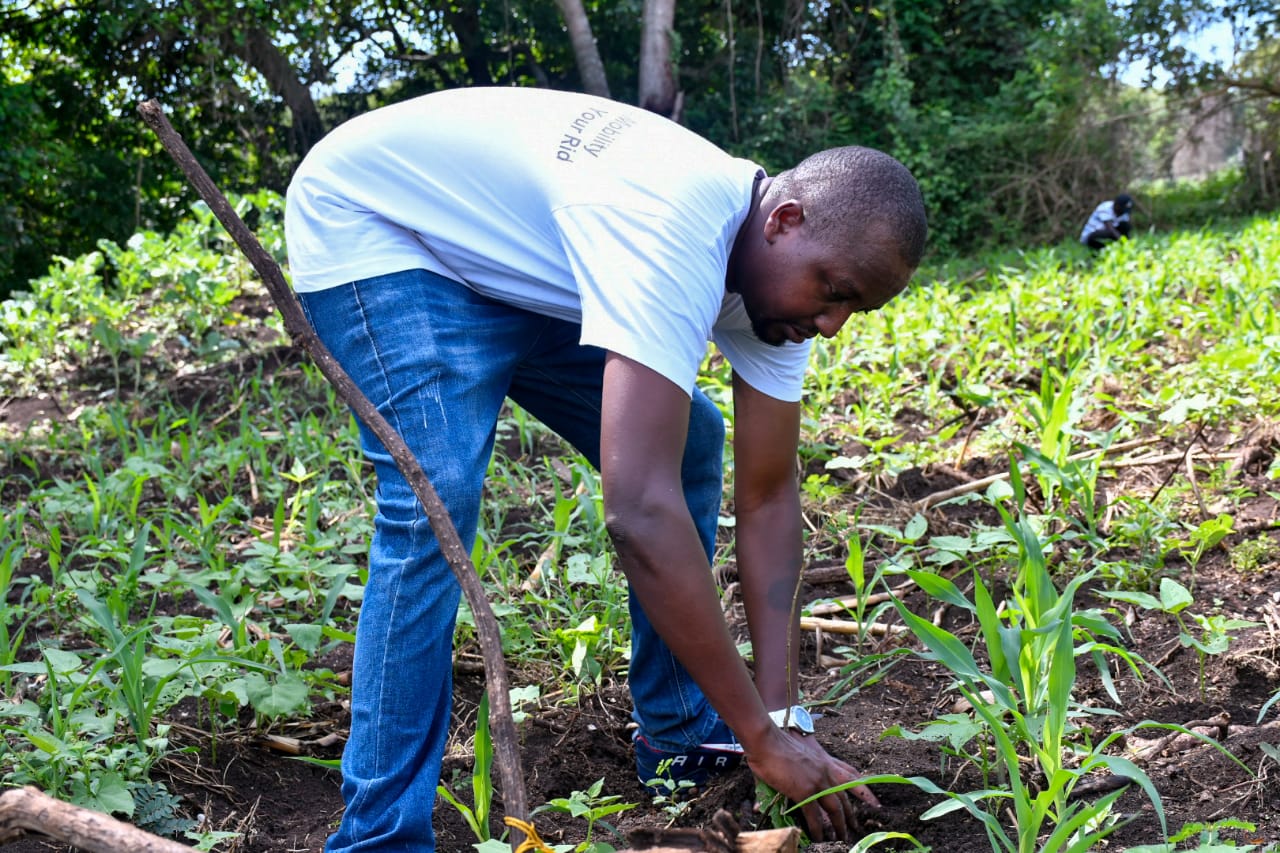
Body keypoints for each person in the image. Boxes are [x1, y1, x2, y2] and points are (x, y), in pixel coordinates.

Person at [284, 85, 927, 851]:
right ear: (783, 221)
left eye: (853, 309)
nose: (830, 323)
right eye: (834, 293)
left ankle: (681, 736)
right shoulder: (673, 229)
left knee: (690, 441)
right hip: (382, 228)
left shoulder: (776, 283)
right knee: (435, 498)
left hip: (506, 255)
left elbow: (767, 494)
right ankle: (379, 837)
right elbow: (637, 511)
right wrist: (759, 735)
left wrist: (785, 719)